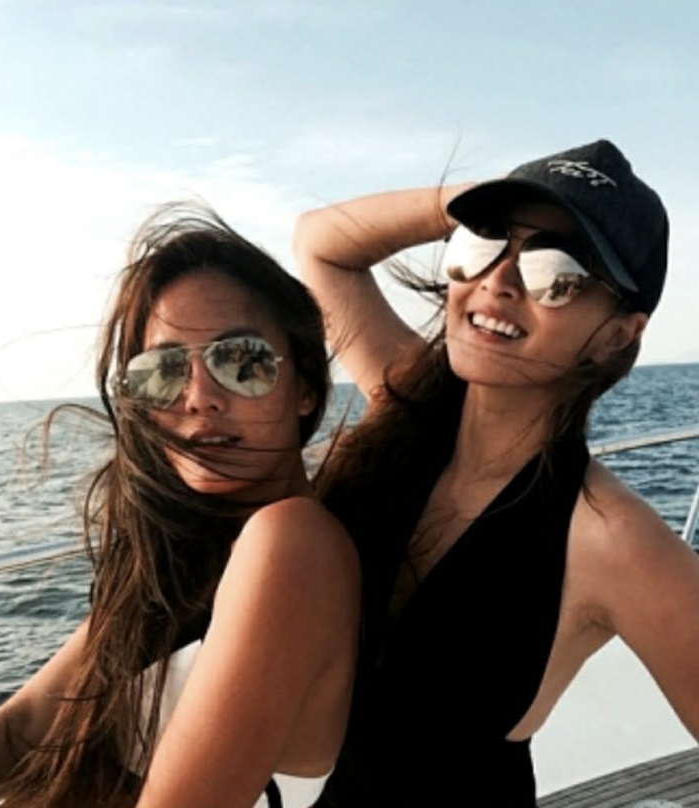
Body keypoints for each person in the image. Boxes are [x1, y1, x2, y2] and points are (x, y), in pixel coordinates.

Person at [0, 203, 360, 808]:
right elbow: (23, 727)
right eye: (162, 371)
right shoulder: (184, 555)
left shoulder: (291, 542)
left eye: (241, 361)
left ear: (305, 386)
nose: (198, 397)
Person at [293, 139, 699, 807]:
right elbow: (319, 244)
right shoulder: (409, 408)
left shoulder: (610, 537)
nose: (498, 281)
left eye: (555, 271)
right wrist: (484, 200)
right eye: (485, 244)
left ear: (617, 335)